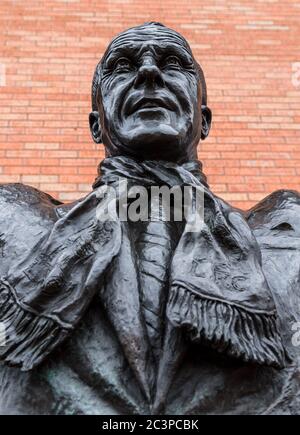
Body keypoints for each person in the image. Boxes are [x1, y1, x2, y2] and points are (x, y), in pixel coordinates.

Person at [0, 22, 299, 415]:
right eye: (122, 66)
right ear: (96, 125)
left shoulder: (284, 234)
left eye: (173, 62)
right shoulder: (17, 225)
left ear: (203, 121)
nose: (148, 72)